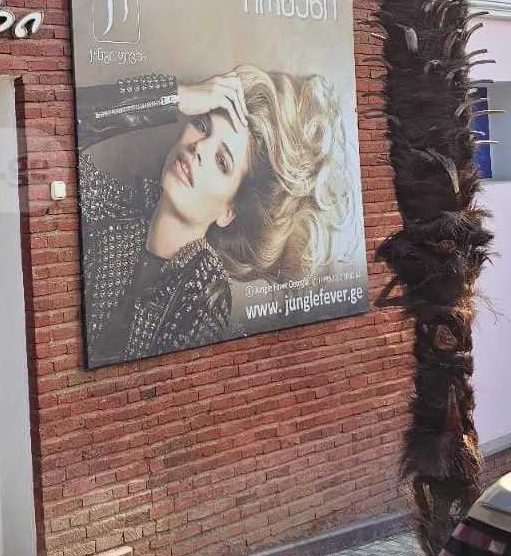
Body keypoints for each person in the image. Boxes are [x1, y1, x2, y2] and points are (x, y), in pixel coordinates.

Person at [77, 67, 350, 367]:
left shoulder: (204, 296)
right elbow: (57, 130)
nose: (199, 148)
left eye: (222, 161)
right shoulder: (115, 209)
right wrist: (175, 96)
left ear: (228, 211)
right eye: (202, 125)